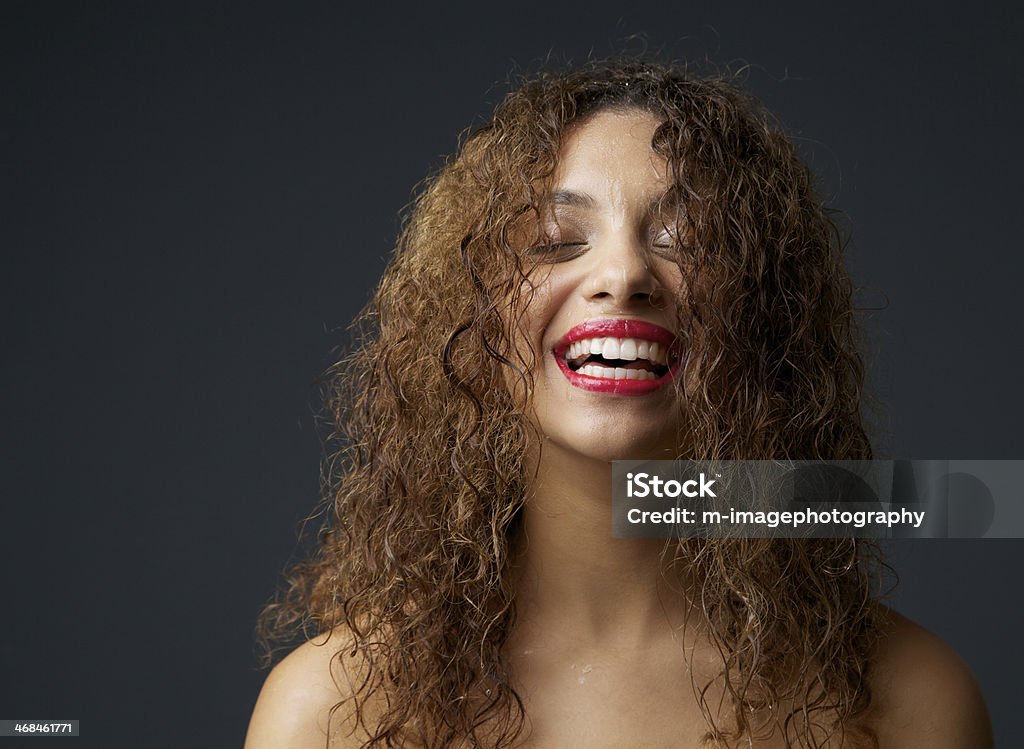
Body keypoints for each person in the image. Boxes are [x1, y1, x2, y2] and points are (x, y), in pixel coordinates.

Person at [244, 59, 993, 748]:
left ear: (768, 318)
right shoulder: (331, 711)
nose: (624, 272)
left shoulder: (912, 704)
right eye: (554, 239)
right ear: (468, 318)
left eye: (686, 237)